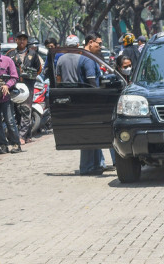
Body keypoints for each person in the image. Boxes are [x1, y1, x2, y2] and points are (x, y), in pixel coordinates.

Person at [57, 32, 107, 175]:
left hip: (71, 98)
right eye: (99, 43)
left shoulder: (60, 60)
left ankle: (97, 164)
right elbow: (91, 82)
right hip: (89, 99)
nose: (100, 46)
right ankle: (87, 166)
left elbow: (58, 80)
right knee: (89, 133)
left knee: (93, 133)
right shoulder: (86, 59)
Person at [7, 31, 42, 144]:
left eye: (24, 39)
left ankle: (22, 136)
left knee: (26, 110)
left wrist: (32, 75)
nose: (22, 41)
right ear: (16, 40)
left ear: (27, 41)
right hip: (15, 86)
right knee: (17, 111)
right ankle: (27, 135)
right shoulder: (10, 54)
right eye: (19, 39)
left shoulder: (32, 53)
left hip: (28, 85)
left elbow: (39, 69)